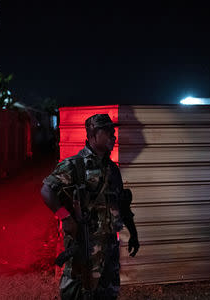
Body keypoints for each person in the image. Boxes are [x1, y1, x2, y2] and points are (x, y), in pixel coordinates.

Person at [41, 114, 139, 299]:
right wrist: (66, 218)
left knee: (108, 293)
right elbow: (46, 190)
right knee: (79, 293)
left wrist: (133, 233)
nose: (113, 135)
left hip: (109, 248)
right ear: (93, 135)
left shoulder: (112, 169)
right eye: (108, 131)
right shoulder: (74, 165)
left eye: (114, 131)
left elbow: (122, 203)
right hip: (85, 246)